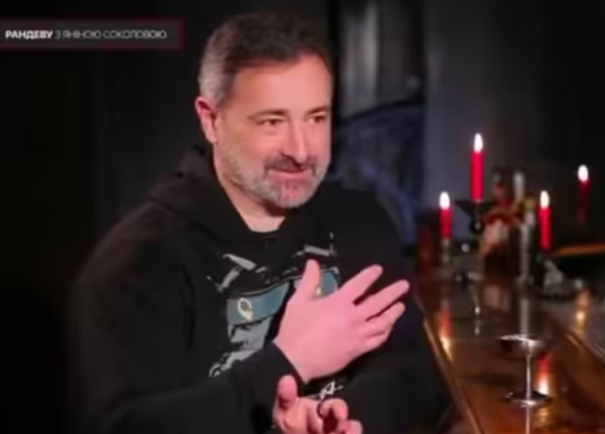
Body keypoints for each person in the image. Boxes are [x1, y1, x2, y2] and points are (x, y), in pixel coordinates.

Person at [67, 11, 445, 434]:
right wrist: (288, 361)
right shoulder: (137, 267)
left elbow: (417, 370)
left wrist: (342, 415)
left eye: (316, 118)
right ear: (211, 120)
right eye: (272, 122)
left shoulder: (359, 220)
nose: (301, 151)